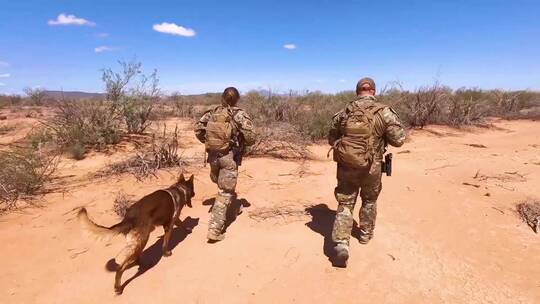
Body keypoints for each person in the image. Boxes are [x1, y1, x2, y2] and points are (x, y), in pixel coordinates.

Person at [328, 77, 406, 267]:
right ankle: (364, 235)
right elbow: (398, 140)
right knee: (370, 200)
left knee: (345, 202)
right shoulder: (384, 112)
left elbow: (331, 139)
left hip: (347, 165)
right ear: (373, 91)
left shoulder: (345, 112)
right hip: (373, 165)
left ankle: (341, 244)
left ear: (357, 91)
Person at [194, 87, 256, 242]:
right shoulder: (240, 114)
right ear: (237, 99)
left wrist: (209, 142)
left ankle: (222, 203)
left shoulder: (212, 112)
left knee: (218, 182)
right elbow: (251, 138)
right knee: (225, 191)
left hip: (213, 156)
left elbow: (197, 130)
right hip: (230, 156)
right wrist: (237, 141)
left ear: (222, 98)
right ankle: (214, 230)